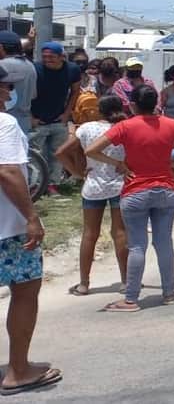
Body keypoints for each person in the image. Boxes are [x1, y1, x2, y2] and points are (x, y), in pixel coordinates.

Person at [85, 85, 174, 312]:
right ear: (156, 104)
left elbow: (91, 150)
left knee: (137, 246)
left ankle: (131, 299)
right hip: (166, 189)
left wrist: (118, 164)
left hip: (135, 191)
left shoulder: (125, 126)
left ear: (132, 104)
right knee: (163, 243)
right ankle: (169, 292)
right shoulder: (171, 124)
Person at [0, 63, 62, 395]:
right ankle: (18, 371)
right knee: (25, 290)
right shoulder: (5, 124)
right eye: (5, 87)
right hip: (7, 229)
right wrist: (31, 217)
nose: (9, 93)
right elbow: (8, 171)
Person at [56, 95, 128, 297]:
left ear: (99, 110)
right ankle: (125, 281)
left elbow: (61, 152)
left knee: (89, 234)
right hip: (119, 184)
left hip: (93, 185)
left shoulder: (86, 128)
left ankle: (84, 283)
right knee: (120, 233)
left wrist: (78, 173)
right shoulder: (124, 128)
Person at [31, 41, 81, 197]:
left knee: (57, 154)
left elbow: (75, 92)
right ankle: (37, 185)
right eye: (44, 57)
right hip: (37, 119)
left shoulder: (72, 69)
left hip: (59, 119)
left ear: (62, 57)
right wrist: (31, 117)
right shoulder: (35, 68)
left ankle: (53, 185)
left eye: (51, 57)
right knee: (37, 155)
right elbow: (25, 93)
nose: (47, 60)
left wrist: (67, 113)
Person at [0, 30, 36, 133]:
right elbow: (33, 95)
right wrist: (29, 41)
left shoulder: (3, 65)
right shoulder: (30, 65)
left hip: (5, 126)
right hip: (23, 123)